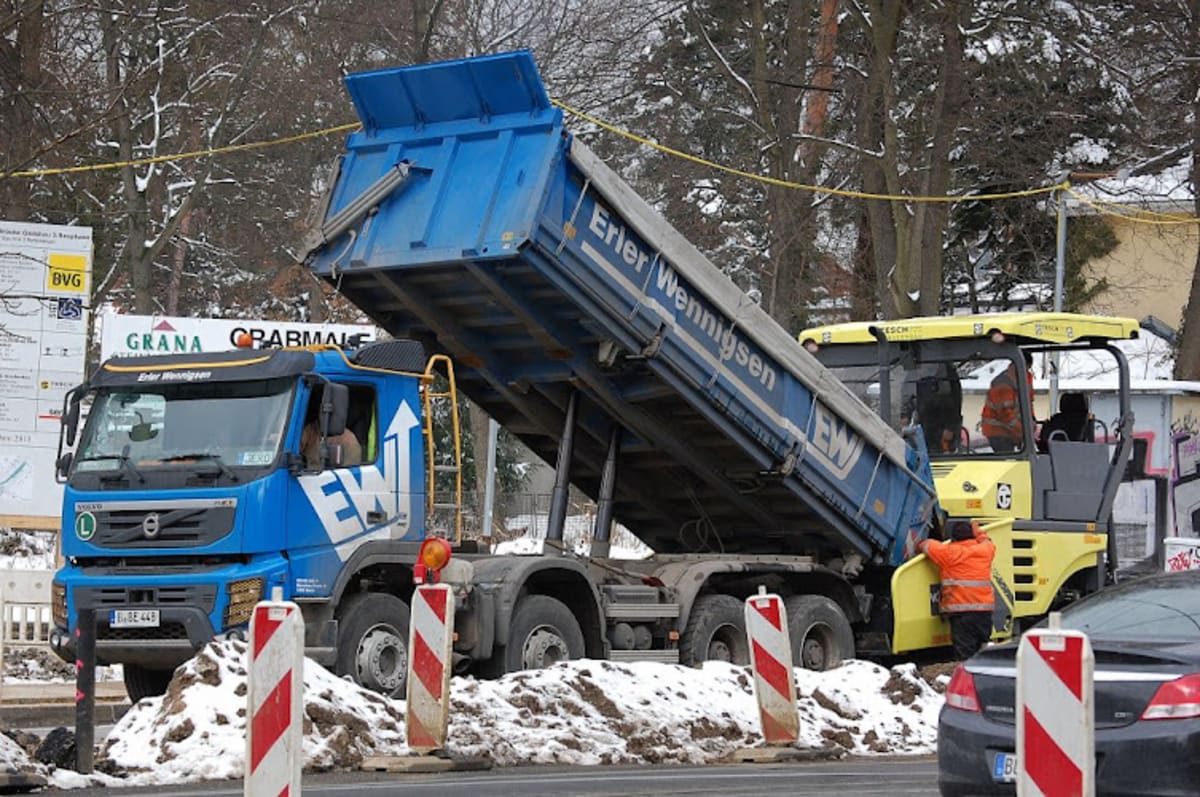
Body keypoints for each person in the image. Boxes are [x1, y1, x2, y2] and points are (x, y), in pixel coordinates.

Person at [919, 519, 996, 660]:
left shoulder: (949, 553)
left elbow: (926, 545)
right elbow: (987, 541)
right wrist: (978, 531)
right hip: (984, 612)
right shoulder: (986, 551)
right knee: (983, 650)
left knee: (965, 655)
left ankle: (968, 679)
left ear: (953, 538)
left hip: (962, 614)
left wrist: (920, 541)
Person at [981, 351, 1035, 453]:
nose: (1026, 370)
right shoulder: (1002, 383)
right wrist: (1022, 434)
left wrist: (1032, 422)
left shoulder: (1026, 377)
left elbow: (1029, 403)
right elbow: (1005, 415)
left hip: (1015, 429)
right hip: (997, 430)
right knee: (1006, 459)